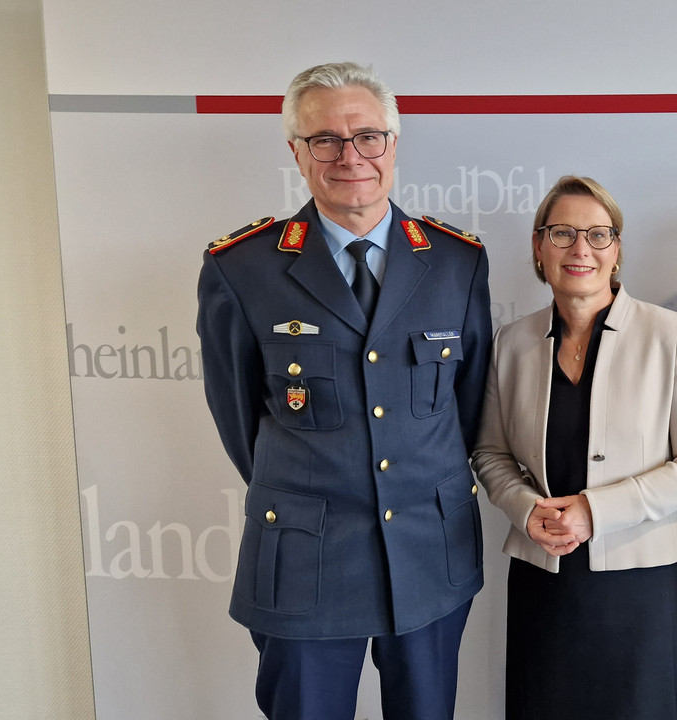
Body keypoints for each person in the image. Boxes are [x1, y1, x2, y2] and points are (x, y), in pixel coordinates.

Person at [196, 62, 491, 720]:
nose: (349, 155)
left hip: (426, 548)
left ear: (394, 142)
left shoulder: (457, 261)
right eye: (324, 139)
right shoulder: (242, 268)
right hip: (307, 557)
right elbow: (240, 417)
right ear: (296, 152)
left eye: (367, 136)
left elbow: (466, 408)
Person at [471, 175, 677, 719]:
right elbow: (489, 454)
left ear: (617, 251)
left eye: (598, 234)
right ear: (539, 249)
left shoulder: (671, 333)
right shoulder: (511, 342)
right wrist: (524, 508)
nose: (580, 248)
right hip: (545, 579)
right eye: (562, 233)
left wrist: (594, 510)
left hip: (641, 586)